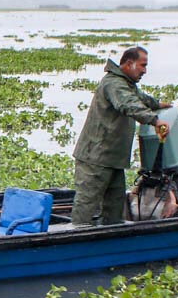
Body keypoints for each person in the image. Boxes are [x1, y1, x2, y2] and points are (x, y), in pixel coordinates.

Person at [71, 46, 171, 226]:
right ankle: (73, 245)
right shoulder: (114, 84)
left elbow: (141, 99)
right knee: (85, 207)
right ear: (129, 63)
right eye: (142, 65)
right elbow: (129, 105)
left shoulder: (127, 84)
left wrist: (160, 105)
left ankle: (110, 245)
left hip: (113, 160)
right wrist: (155, 121)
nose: (144, 71)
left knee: (114, 209)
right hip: (95, 158)